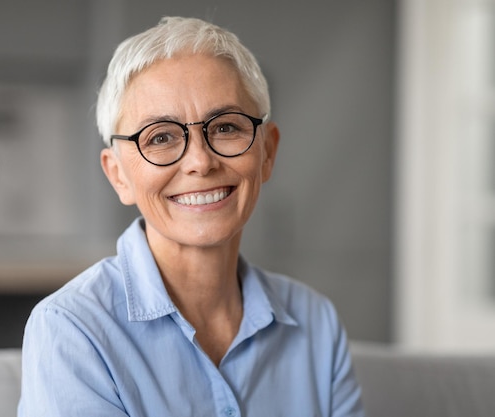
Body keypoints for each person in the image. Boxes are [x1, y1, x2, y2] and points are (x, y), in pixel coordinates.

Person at [18, 16, 364, 417]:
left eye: (226, 128)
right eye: (160, 137)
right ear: (119, 176)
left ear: (267, 153)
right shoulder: (72, 331)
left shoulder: (317, 325)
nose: (200, 161)